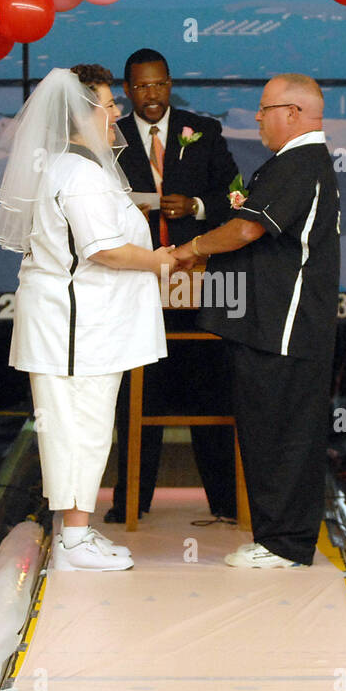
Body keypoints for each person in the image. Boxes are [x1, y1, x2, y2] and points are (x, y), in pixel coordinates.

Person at [0, 67, 172, 571]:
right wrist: (167, 258)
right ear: (79, 115)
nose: (116, 115)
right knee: (77, 426)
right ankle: (73, 540)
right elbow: (103, 249)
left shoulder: (77, 168)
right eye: (107, 105)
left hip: (85, 323)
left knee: (83, 425)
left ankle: (75, 534)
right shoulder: (80, 173)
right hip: (74, 326)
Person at [173, 73, 340, 569]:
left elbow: (248, 228)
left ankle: (284, 543)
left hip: (284, 328)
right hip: (267, 325)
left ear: (293, 113)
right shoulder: (295, 162)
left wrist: (192, 248)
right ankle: (276, 538)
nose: (258, 119)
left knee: (283, 434)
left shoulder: (301, 161)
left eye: (264, 109)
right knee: (269, 430)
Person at [109, 50, 240, 523]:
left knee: (210, 387)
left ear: (170, 84)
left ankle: (226, 503)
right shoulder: (112, 136)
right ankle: (131, 503)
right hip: (137, 283)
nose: (152, 95)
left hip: (197, 282)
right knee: (138, 393)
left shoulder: (203, 129)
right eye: (142, 87)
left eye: (160, 85)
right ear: (128, 91)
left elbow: (236, 196)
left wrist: (199, 206)